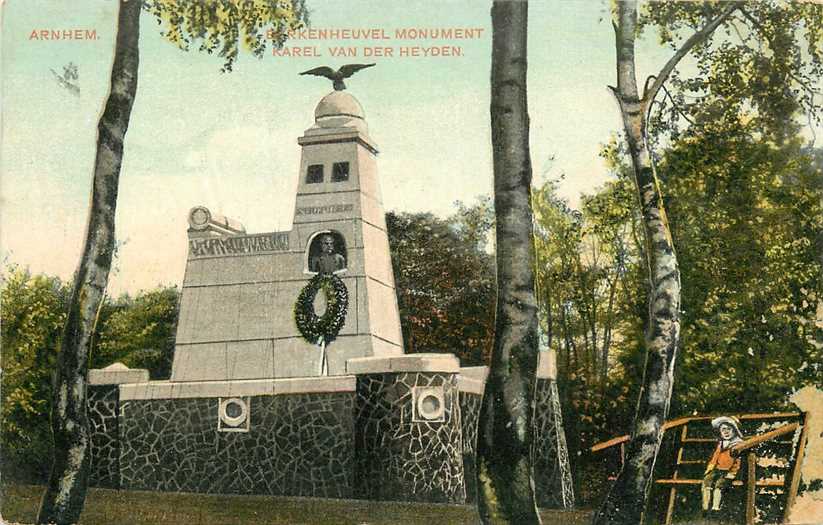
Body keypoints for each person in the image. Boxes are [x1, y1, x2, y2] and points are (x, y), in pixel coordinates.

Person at [702, 415, 744, 516]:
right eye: (723, 429)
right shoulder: (721, 443)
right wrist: (710, 467)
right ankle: (705, 506)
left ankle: (715, 507)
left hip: (728, 471)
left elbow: (737, 461)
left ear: (734, 430)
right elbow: (715, 457)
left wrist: (732, 473)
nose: (726, 432)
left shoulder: (737, 444)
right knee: (706, 481)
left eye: (728, 429)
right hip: (717, 469)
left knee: (719, 485)